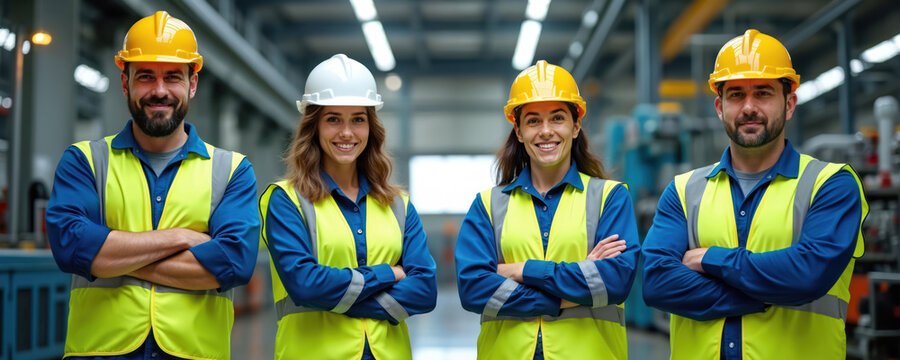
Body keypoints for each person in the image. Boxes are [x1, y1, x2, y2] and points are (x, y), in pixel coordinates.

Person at [641, 29, 868, 360]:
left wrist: (709, 259)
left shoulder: (831, 185)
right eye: (736, 95)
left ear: (788, 104)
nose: (749, 107)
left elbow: (807, 275)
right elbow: (657, 283)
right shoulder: (683, 190)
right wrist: (768, 293)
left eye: (763, 93)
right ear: (720, 107)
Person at [46, 11, 259, 360]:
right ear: (125, 82)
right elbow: (70, 246)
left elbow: (234, 263)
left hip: (194, 352)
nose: (159, 91)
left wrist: (107, 258)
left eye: (172, 77)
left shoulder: (232, 170)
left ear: (192, 84)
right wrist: (182, 238)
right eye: (145, 77)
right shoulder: (85, 161)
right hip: (99, 351)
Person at [455, 60, 639, 359]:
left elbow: (614, 282)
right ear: (518, 131)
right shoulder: (488, 205)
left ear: (575, 125)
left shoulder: (609, 198)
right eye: (532, 121)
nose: (545, 131)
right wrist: (574, 285)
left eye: (557, 118)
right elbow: (474, 289)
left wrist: (521, 270)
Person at [259, 54, 437, 360]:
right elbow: (305, 286)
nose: (346, 133)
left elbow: (425, 290)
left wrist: (338, 296)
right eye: (333, 119)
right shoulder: (286, 200)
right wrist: (388, 274)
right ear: (313, 126)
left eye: (358, 119)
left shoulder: (398, 205)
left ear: (371, 127)